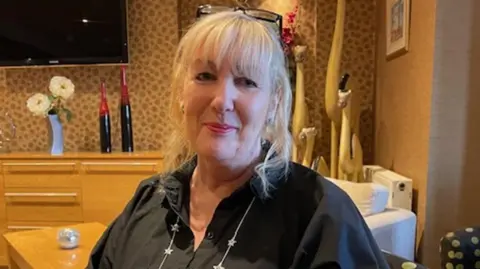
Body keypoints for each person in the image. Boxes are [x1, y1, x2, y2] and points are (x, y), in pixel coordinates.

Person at [86, 9, 390, 269]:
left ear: (274, 102)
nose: (222, 100)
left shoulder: (320, 214)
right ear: (182, 92)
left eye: (247, 81)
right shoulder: (149, 200)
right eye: (205, 76)